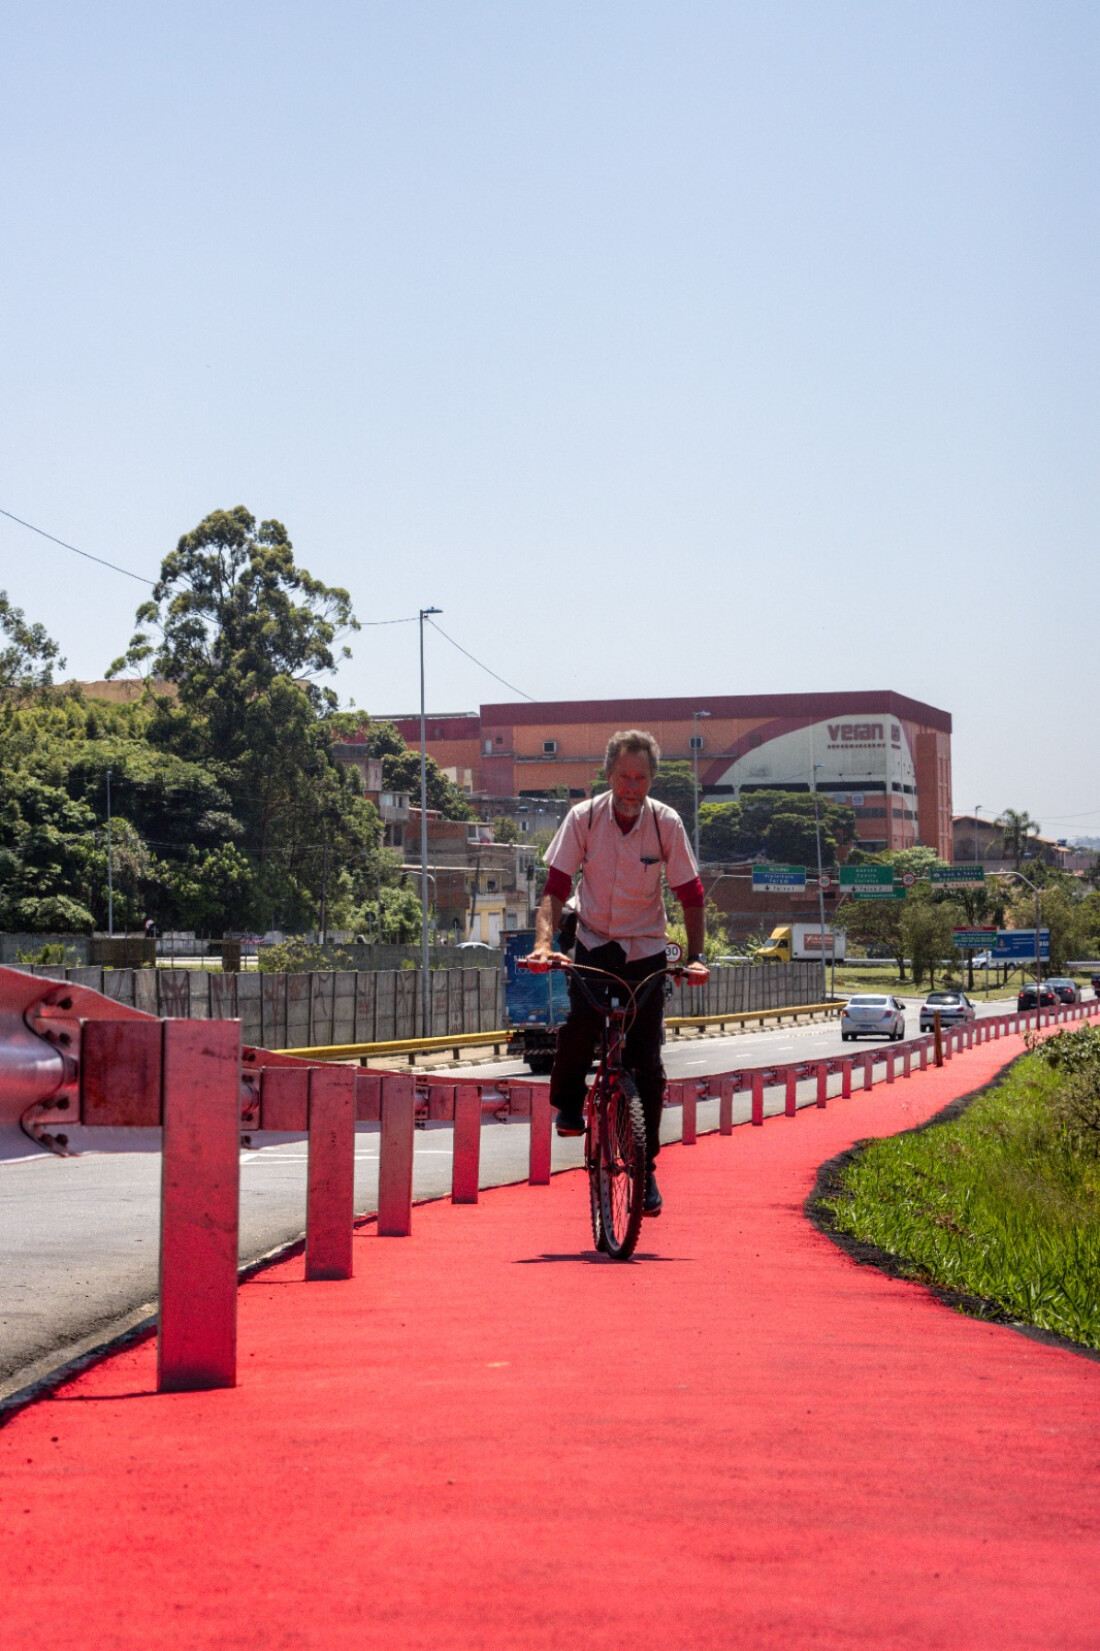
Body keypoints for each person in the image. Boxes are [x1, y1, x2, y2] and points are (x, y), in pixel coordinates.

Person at [527, 729, 709, 1217]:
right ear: (608, 775)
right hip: (592, 941)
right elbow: (557, 886)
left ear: (652, 779)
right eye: (624, 776)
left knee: (647, 1061)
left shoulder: (665, 823)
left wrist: (695, 957)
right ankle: (569, 1103)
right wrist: (545, 944)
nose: (632, 786)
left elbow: (691, 894)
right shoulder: (583, 818)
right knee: (581, 1027)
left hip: (646, 948)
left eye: (642, 778)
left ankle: (645, 1171)